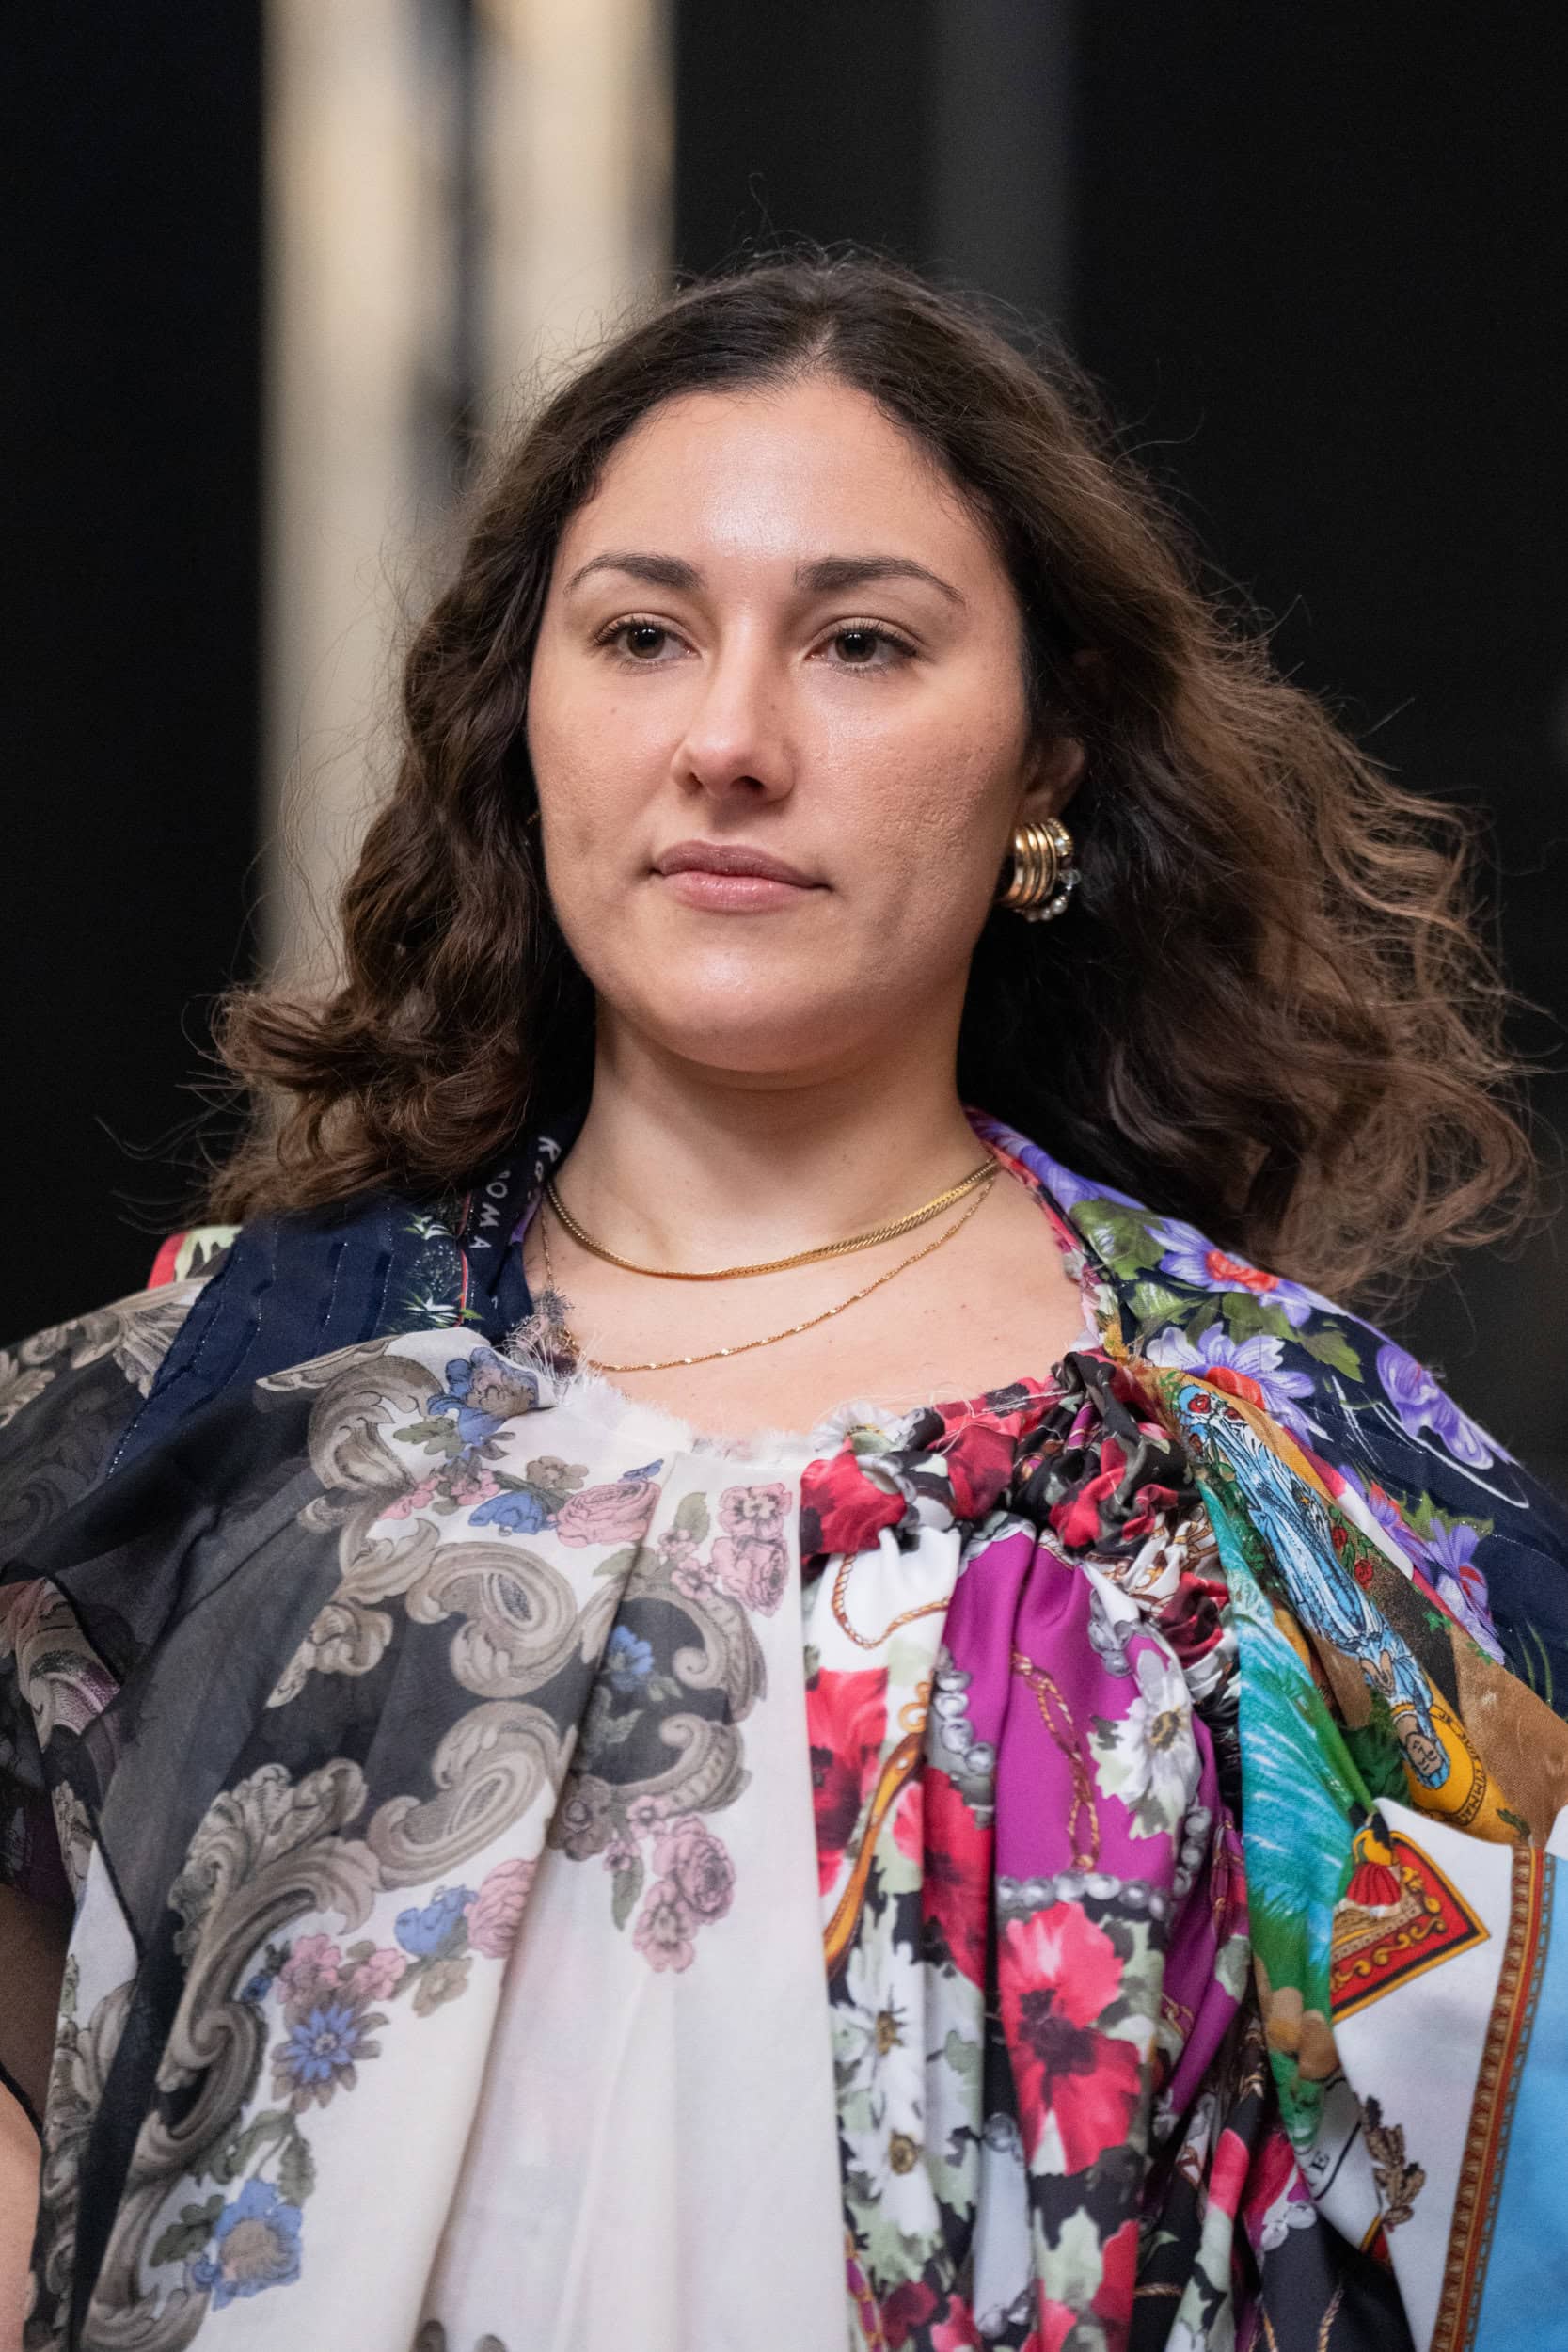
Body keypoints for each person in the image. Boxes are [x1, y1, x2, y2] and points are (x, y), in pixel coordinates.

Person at [3, 252, 1566, 2352]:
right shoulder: (211, 1407)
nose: (728, 741)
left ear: (1048, 757)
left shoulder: (1301, 1491)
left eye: (861, 642)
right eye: (642, 633)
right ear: (524, 717)